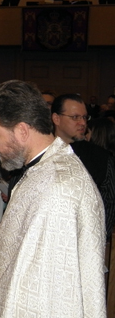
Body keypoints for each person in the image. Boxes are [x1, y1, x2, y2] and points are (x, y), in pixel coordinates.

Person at [0, 80, 107, 318]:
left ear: (22, 130)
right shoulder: (41, 170)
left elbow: (43, 297)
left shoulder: (59, 189)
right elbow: (11, 248)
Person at [51, 93, 115, 239]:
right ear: (56, 118)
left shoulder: (100, 157)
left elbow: (109, 202)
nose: (82, 123)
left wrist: (97, 238)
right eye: (75, 117)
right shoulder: (38, 152)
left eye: (84, 117)